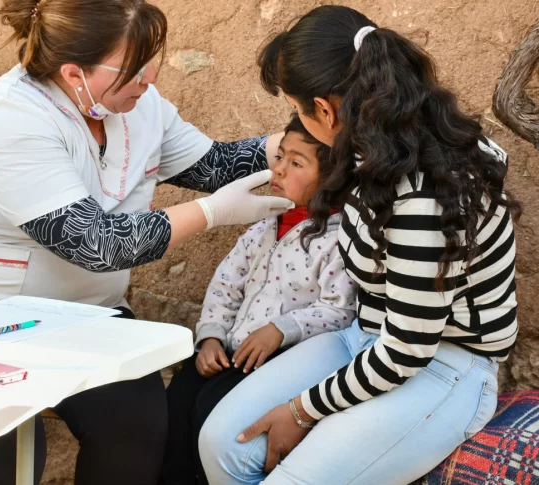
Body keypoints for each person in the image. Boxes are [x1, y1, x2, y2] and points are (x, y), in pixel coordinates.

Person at [0, 1, 294, 484]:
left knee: (139, 425)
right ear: (73, 73)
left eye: (153, 61)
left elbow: (212, 164)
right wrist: (211, 214)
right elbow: (97, 244)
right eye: (134, 68)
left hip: (88, 317)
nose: (149, 79)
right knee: (8, 447)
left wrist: (302, 142)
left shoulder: (135, 102)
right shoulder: (10, 119)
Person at [198, 5, 522, 485]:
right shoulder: (380, 138)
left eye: (297, 108)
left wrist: (303, 409)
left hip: (443, 361)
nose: (298, 123)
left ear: (325, 110)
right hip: (365, 336)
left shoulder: (423, 194)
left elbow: (408, 349)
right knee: (221, 443)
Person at [160, 115, 356, 485]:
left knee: (211, 411)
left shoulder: (339, 241)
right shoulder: (264, 226)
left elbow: (340, 310)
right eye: (279, 157)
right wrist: (211, 337)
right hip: (228, 353)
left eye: (296, 163)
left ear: (333, 177)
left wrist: (281, 331)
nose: (278, 169)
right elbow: (225, 286)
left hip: (274, 364)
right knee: (179, 399)